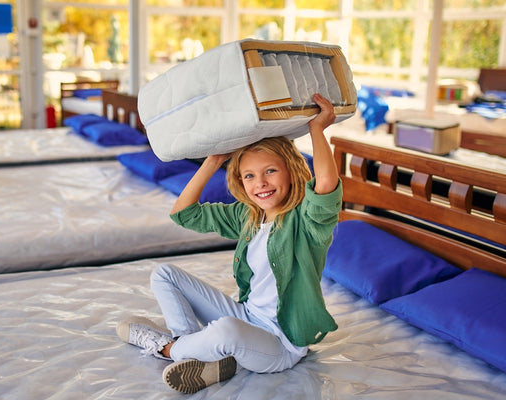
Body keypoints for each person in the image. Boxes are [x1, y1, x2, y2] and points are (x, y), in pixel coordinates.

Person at [116, 93, 342, 394]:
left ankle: (168, 349)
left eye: (270, 171)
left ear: (291, 170)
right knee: (164, 274)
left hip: (280, 343)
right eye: (249, 175)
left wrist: (317, 130)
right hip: (247, 317)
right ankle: (201, 355)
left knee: (226, 330)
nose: (259, 183)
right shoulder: (247, 215)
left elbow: (326, 186)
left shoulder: (306, 221)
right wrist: (212, 162)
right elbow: (183, 214)